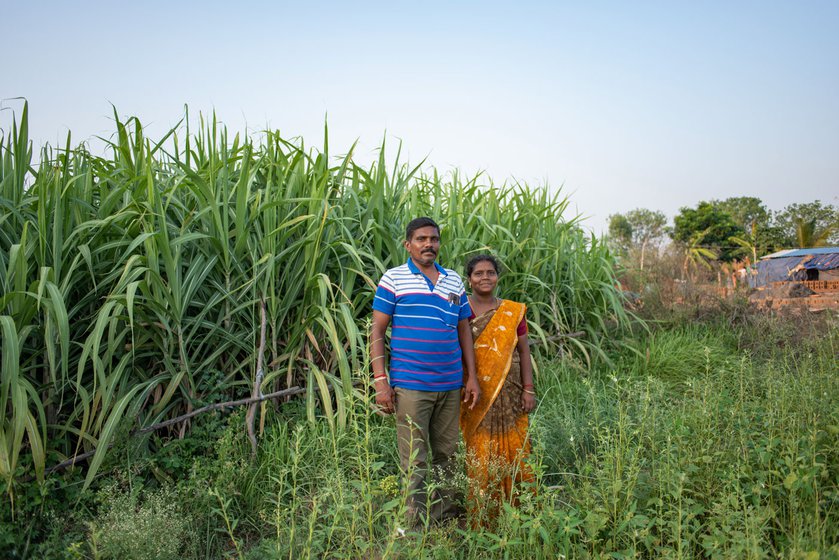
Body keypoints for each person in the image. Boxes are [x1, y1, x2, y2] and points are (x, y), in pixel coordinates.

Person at [371, 217, 481, 527]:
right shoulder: (394, 279)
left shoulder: (453, 281)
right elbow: (377, 330)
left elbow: (464, 330)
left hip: (449, 384)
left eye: (433, 239)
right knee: (414, 458)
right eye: (421, 239)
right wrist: (381, 381)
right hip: (411, 384)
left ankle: (444, 517)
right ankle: (414, 525)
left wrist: (470, 376)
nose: (428, 244)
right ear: (408, 244)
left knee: (447, 454)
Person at [459, 254, 536, 520]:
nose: (485, 278)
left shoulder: (513, 311)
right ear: (469, 280)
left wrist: (528, 388)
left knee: (516, 449)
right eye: (478, 273)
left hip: (511, 390)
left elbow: (524, 352)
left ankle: (519, 512)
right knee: (480, 451)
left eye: (490, 272)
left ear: (497, 277)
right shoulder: (460, 308)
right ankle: (484, 515)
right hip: (474, 393)